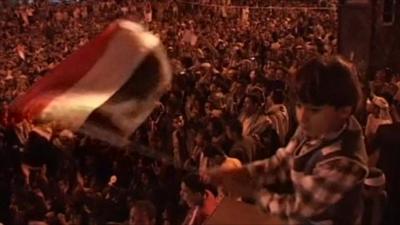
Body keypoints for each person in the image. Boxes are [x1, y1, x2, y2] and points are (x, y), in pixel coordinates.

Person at [203, 56, 369, 225]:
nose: (302, 117)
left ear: (344, 111)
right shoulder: (317, 126)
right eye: (299, 106)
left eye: (314, 110)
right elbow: (282, 162)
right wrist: (241, 173)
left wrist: (252, 191)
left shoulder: (344, 162)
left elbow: (296, 208)